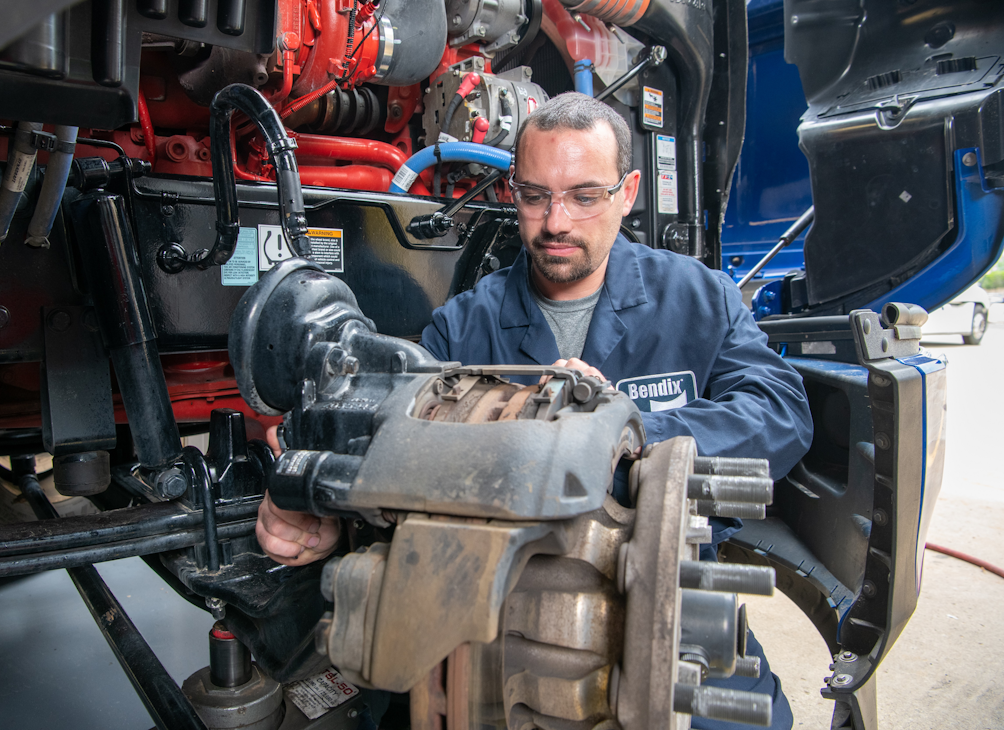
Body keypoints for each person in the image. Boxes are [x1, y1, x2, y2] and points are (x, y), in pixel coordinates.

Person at [255, 93, 812, 729]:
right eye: (534, 195)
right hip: (493, 623)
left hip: (664, 600)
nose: (556, 222)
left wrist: (621, 434)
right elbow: (398, 443)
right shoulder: (467, 325)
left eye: (585, 195)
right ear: (511, 193)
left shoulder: (696, 297)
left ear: (628, 193)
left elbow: (781, 412)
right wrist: (327, 512)